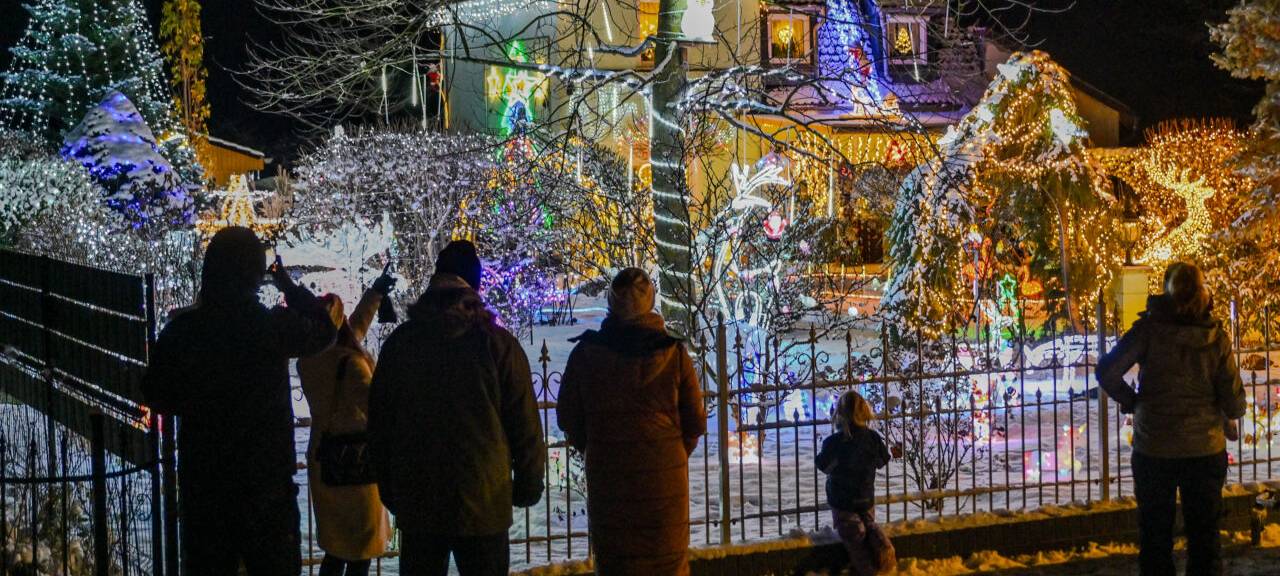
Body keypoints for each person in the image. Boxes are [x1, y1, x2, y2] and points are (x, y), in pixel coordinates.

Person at [142, 226, 336, 575]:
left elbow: (156, 392)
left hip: (206, 486)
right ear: (254, 274)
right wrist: (288, 286)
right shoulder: (270, 328)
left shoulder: (184, 331)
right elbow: (324, 329)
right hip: (265, 486)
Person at [368, 240, 545, 576]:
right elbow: (523, 421)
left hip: (419, 498)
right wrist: (527, 482)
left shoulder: (402, 344)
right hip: (484, 499)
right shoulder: (496, 345)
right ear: (473, 288)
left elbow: (380, 424)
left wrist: (390, 487)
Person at [1098, 261, 1247, 576]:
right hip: (1204, 450)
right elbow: (1234, 403)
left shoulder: (1149, 331)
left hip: (1155, 448)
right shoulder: (1215, 337)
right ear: (1202, 292)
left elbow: (1108, 370)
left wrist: (1133, 402)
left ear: (1165, 291)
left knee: (1154, 538)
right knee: (1205, 539)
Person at [557, 268, 706, 576]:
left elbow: (568, 417)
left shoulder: (587, 354)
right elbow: (695, 422)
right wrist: (670, 454)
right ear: (651, 301)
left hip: (610, 479)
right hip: (664, 482)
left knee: (618, 562)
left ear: (611, 303)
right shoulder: (673, 354)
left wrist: (598, 446)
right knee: (666, 563)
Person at [297, 270, 397, 576]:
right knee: (359, 551)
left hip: (325, 459)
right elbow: (378, 405)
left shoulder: (312, 358)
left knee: (336, 548)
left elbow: (356, 325)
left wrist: (375, 294)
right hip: (357, 462)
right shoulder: (351, 364)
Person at [816, 390, 893, 576]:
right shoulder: (872, 438)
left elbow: (824, 466)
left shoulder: (834, 442)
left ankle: (868, 571)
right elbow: (882, 460)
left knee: (856, 541)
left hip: (843, 501)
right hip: (866, 497)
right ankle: (878, 539)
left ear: (839, 414)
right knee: (868, 523)